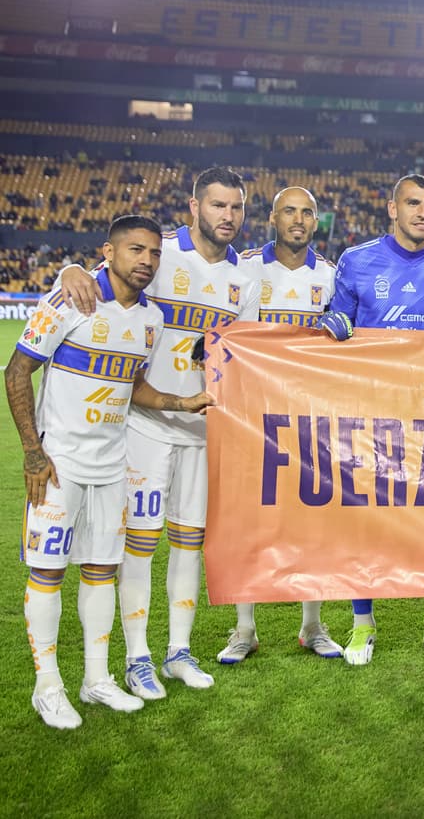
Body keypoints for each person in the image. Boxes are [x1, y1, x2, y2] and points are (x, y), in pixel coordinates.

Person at [59, 167, 261, 697]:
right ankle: (138, 657)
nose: (227, 216)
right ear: (194, 206)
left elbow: (244, 355)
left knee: (189, 544)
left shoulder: (247, 280)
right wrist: (68, 268)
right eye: (217, 205)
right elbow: (101, 272)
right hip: (144, 425)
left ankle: (178, 652)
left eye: (236, 207)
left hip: (202, 430)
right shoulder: (160, 253)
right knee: (141, 545)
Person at [6, 215, 212, 728]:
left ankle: (96, 680)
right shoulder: (69, 299)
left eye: (155, 254)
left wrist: (178, 402)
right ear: (109, 251)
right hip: (60, 465)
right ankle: (46, 686)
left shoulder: (150, 320)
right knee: (49, 570)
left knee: (101, 569)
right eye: (136, 250)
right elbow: (17, 370)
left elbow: (133, 383)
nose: (146, 261)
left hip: (112, 463)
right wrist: (34, 452)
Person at [320, 173, 424, 666]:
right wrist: (334, 325)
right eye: (412, 203)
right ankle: (362, 626)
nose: (422, 212)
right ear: (392, 208)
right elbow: (335, 321)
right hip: (368, 413)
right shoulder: (357, 260)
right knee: (367, 522)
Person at [214, 186, 343, 664]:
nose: (299, 220)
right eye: (289, 211)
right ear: (272, 218)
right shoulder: (243, 268)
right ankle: (244, 629)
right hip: (247, 417)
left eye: (307, 213)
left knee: (313, 521)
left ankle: (312, 624)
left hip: (310, 418)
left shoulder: (330, 277)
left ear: (316, 221)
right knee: (247, 522)